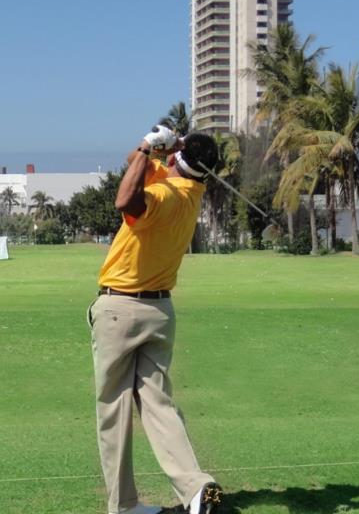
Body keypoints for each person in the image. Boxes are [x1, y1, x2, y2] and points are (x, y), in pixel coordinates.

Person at [87, 128, 222, 514]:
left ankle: (124, 506)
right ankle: (198, 489)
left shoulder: (162, 194)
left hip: (120, 310)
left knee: (113, 410)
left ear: (178, 160)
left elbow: (124, 199)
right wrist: (159, 152)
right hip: (160, 313)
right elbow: (135, 166)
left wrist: (150, 145)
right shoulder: (191, 191)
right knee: (158, 405)